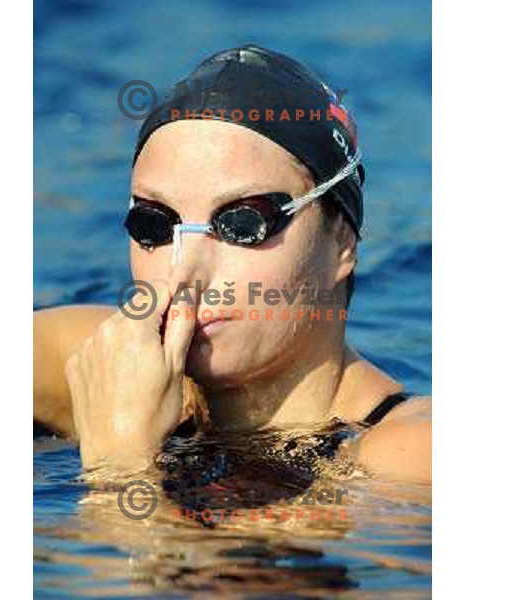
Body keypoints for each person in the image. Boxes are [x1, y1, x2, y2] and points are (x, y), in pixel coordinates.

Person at [34, 45, 431, 484]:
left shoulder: (410, 454)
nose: (185, 272)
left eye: (243, 223)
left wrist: (120, 466)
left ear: (342, 242)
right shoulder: (105, 368)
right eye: (155, 224)